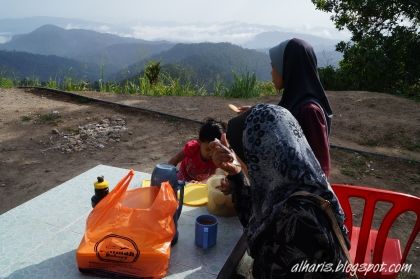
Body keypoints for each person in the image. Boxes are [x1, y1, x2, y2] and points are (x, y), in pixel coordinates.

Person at [210, 104, 349, 279]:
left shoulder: (298, 221)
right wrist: (236, 175)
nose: (241, 163)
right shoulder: (302, 185)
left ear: (260, 157)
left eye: (242, 155)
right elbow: (259, 220)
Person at [238, 38, 333, 177]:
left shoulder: (309, 111)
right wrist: (257, 111)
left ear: (288, 67)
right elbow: (283, 117)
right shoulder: (296, 102)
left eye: (274, 66)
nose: (271, 72)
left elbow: (321, 168)